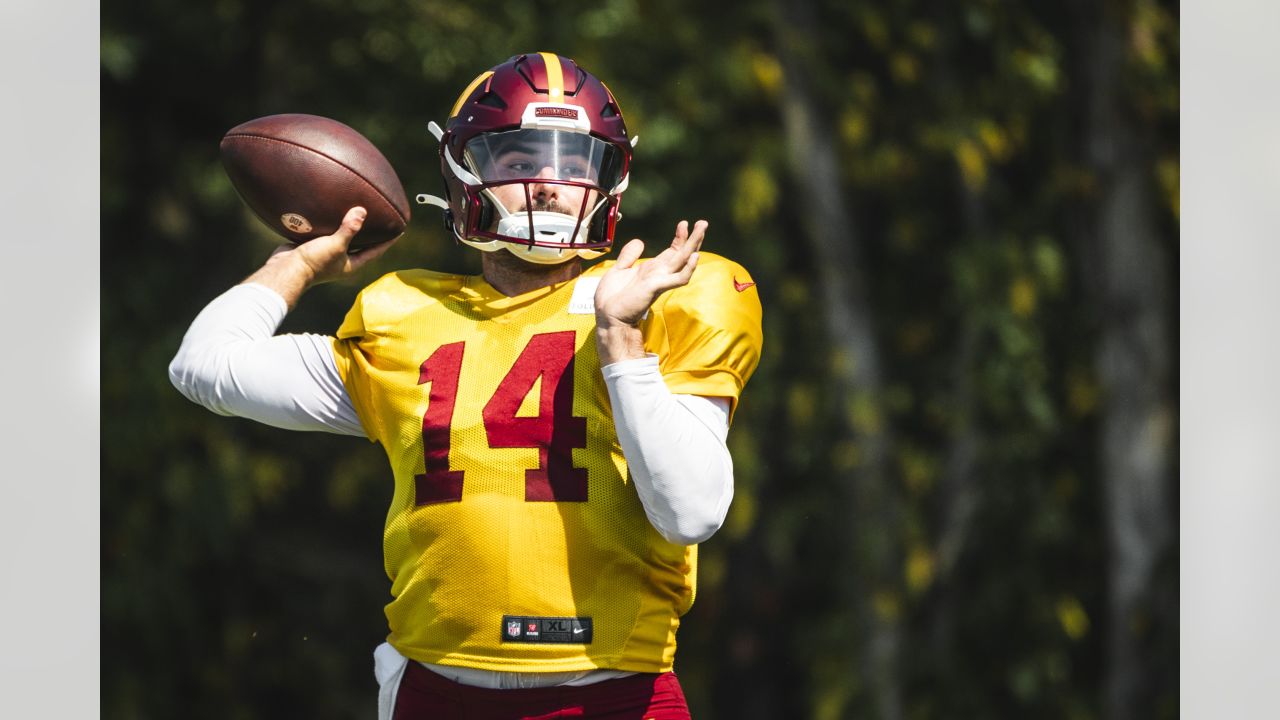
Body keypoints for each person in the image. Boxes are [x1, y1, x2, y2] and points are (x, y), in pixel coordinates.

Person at [169, 52, 763, 719]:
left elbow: (691, 513)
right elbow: (206, 367)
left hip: (618, 696)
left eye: (576, 163)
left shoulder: (678, 294)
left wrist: (621, 340)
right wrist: (298, 262)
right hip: (437, 693)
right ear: (463, 173)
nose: (548, 184)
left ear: (609, 181)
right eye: (518, 159)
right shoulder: (405, 315)